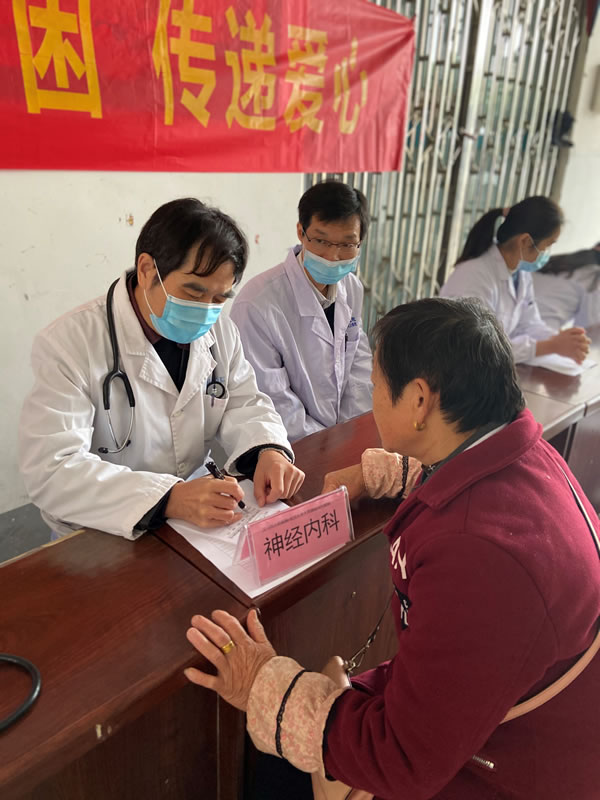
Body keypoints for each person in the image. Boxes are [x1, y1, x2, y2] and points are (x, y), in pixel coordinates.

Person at [183, 297, 600, 799]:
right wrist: (384, 473)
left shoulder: (477, 560)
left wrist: (260, 683)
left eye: (377, 387)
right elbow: (464, 476)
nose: (371, 399)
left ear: (419, 400)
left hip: (503, 770)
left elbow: (401, 758)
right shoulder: (524, 454)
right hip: (503, 717)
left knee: (274, 774)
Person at [19, 198, 304, 540]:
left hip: (192, 518)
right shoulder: (70, 343)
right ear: (147, 270)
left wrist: (268, 449)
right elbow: (52, 470)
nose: (206, 311)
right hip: (99, 529)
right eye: (193, 293)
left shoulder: (221, 331)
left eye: (219, 299)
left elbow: (243, 402)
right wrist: (168, 497)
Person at [230, 181, 373, 442]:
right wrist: (327, 445)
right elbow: (272, 400)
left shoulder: (351, 288)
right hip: (286, 446)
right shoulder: (257, 303)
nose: (333, 256)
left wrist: (352, 434)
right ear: (300, 232)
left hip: (342, 439)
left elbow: (358, 369)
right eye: (321, 241)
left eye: (347, 244)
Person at [440, 196, 591, 364]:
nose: (547, 253)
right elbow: (481, 348)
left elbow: (529, 324)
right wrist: (550, 346)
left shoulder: (520, 274)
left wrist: (562, 339)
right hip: (456, 370)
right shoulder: (474, 275)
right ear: (525, 241)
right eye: (547, 245)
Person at [533, 241, 600, 330]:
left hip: (518, 320)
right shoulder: (594, 276)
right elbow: (589, 329)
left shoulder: (553, 261)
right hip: (538, 331)